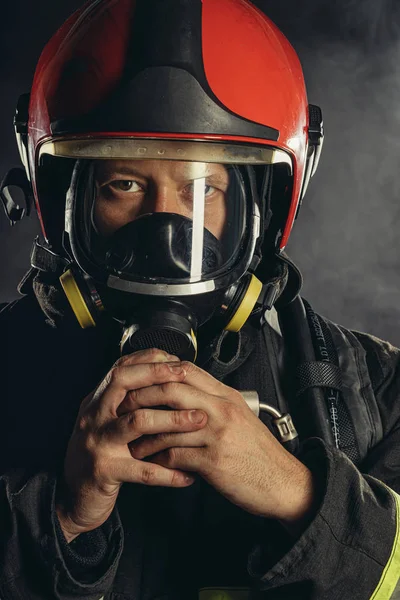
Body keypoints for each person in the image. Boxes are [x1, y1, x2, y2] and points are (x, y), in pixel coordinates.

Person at [0, 0, 399, 599]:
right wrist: (63, 515)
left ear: (263, 207)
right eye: (124, 185)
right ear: (59, 199)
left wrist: (294, 490)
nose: (165, 233)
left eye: (202, 188)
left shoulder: (373, 390)